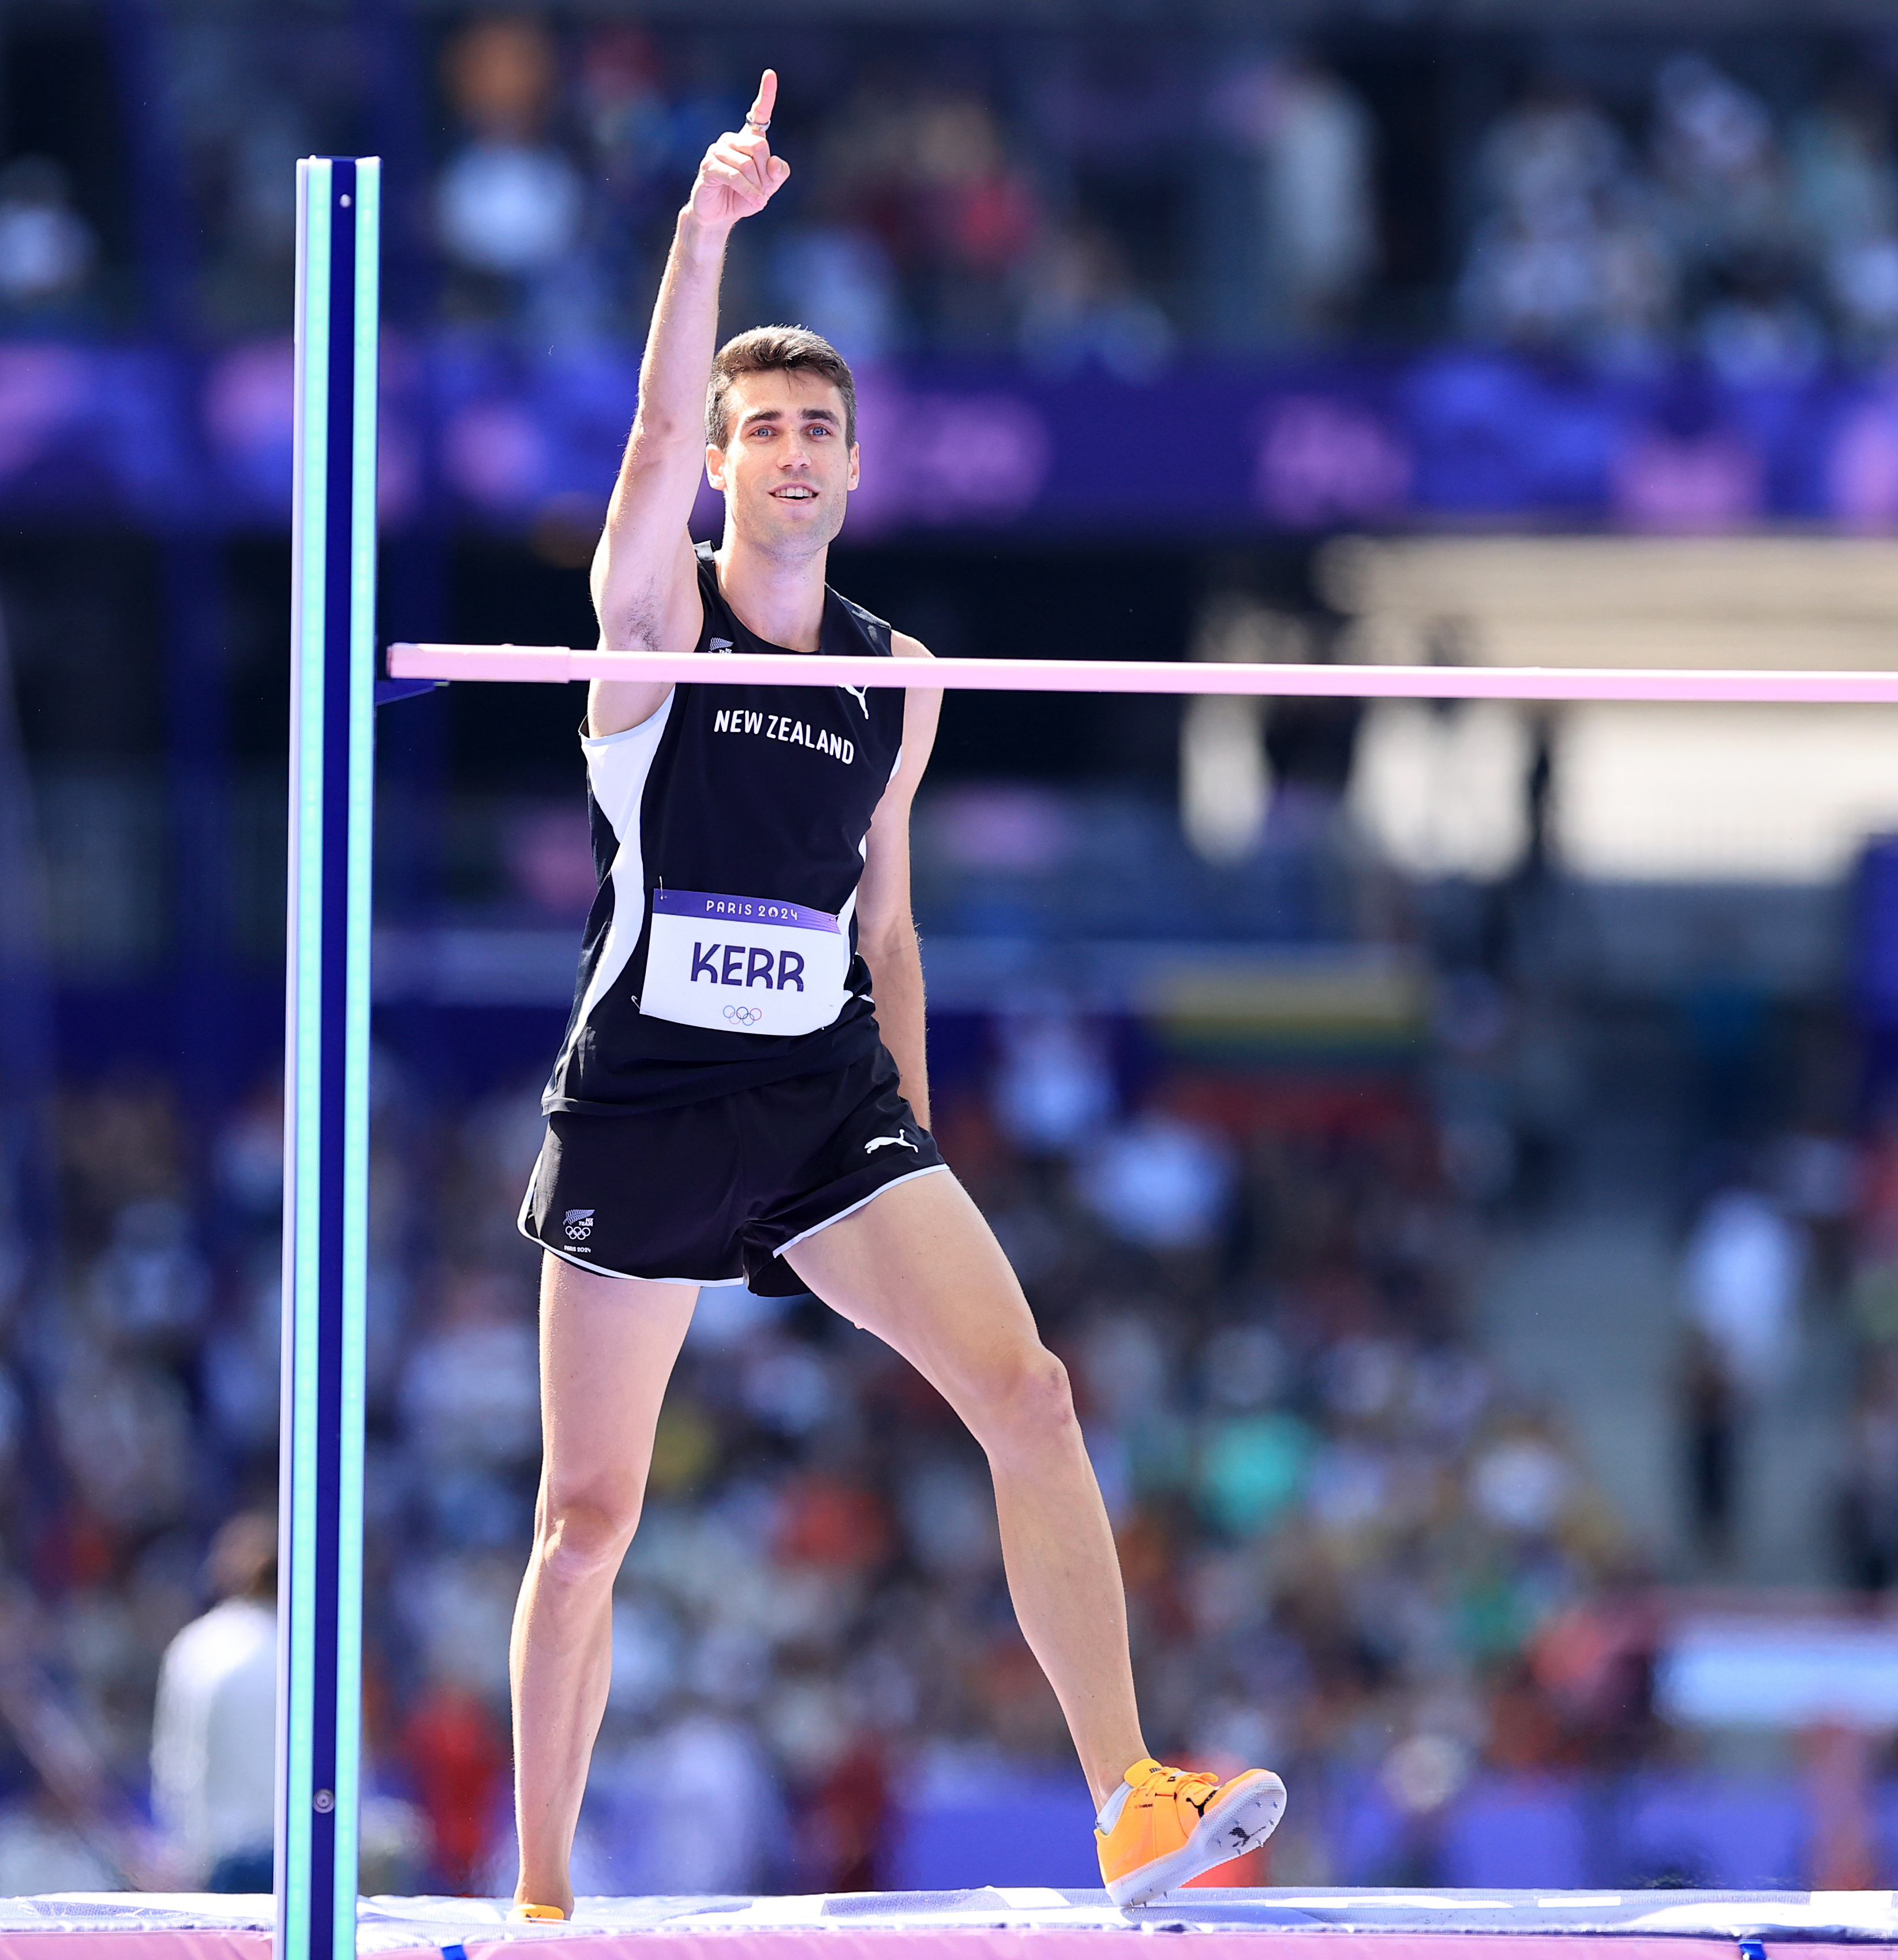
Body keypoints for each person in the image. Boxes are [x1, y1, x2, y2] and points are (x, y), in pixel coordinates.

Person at [506, 69, 1285, 1919]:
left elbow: (893, 925)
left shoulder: (900, 676)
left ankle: (1132, 1801)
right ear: (721, 460)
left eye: (817, 430)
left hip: (824, 1096)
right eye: (759, 427)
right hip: (644, 1098)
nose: (789, 453)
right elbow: (631, 454)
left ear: (856, 468)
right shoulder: (655, 627)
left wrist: (909, 1134)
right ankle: (538, 1893)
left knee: (1030, 1389)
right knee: (589, 1517)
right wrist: (703, 232)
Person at [149, 1512, 278, 1892]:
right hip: (300, 1853)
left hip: (222, 1855)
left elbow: (175, 1759)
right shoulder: (315, 1650)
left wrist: (182, 1845)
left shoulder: (198, 1648)